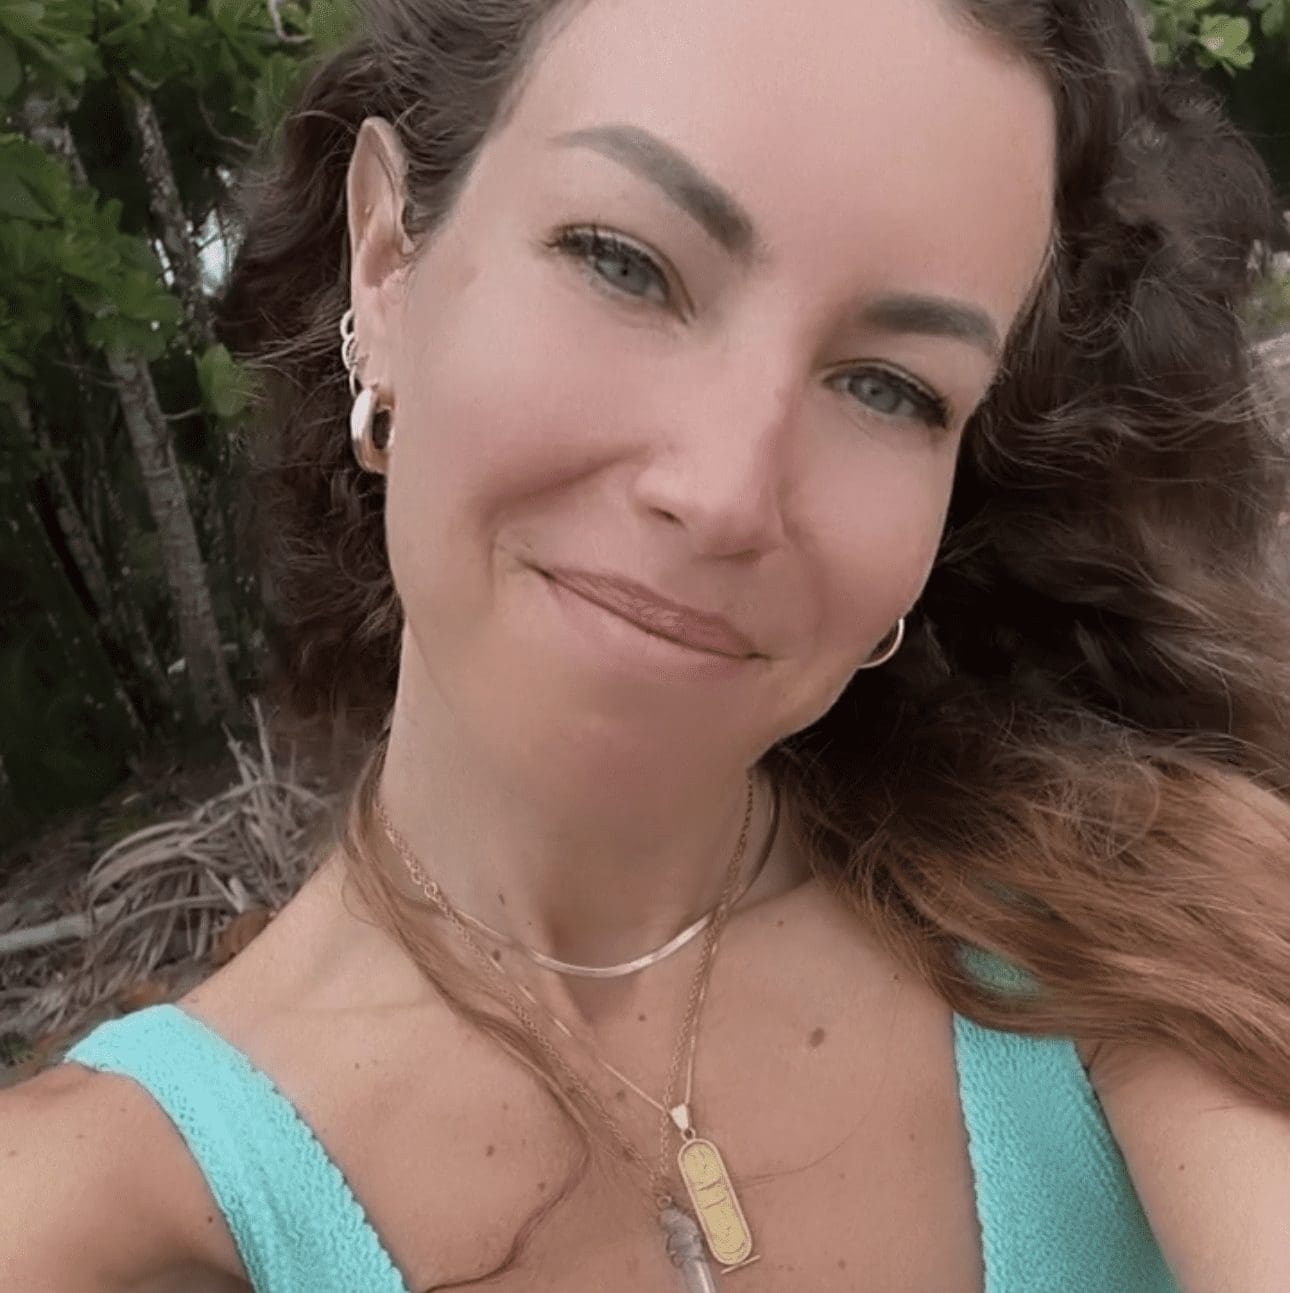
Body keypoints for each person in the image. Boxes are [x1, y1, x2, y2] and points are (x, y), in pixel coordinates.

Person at [5, 0, 1290, 1289]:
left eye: (890, 386)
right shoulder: (95, 1211)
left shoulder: (1138, 933)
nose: (727, 494)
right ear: (388, 262)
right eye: (624, 263)